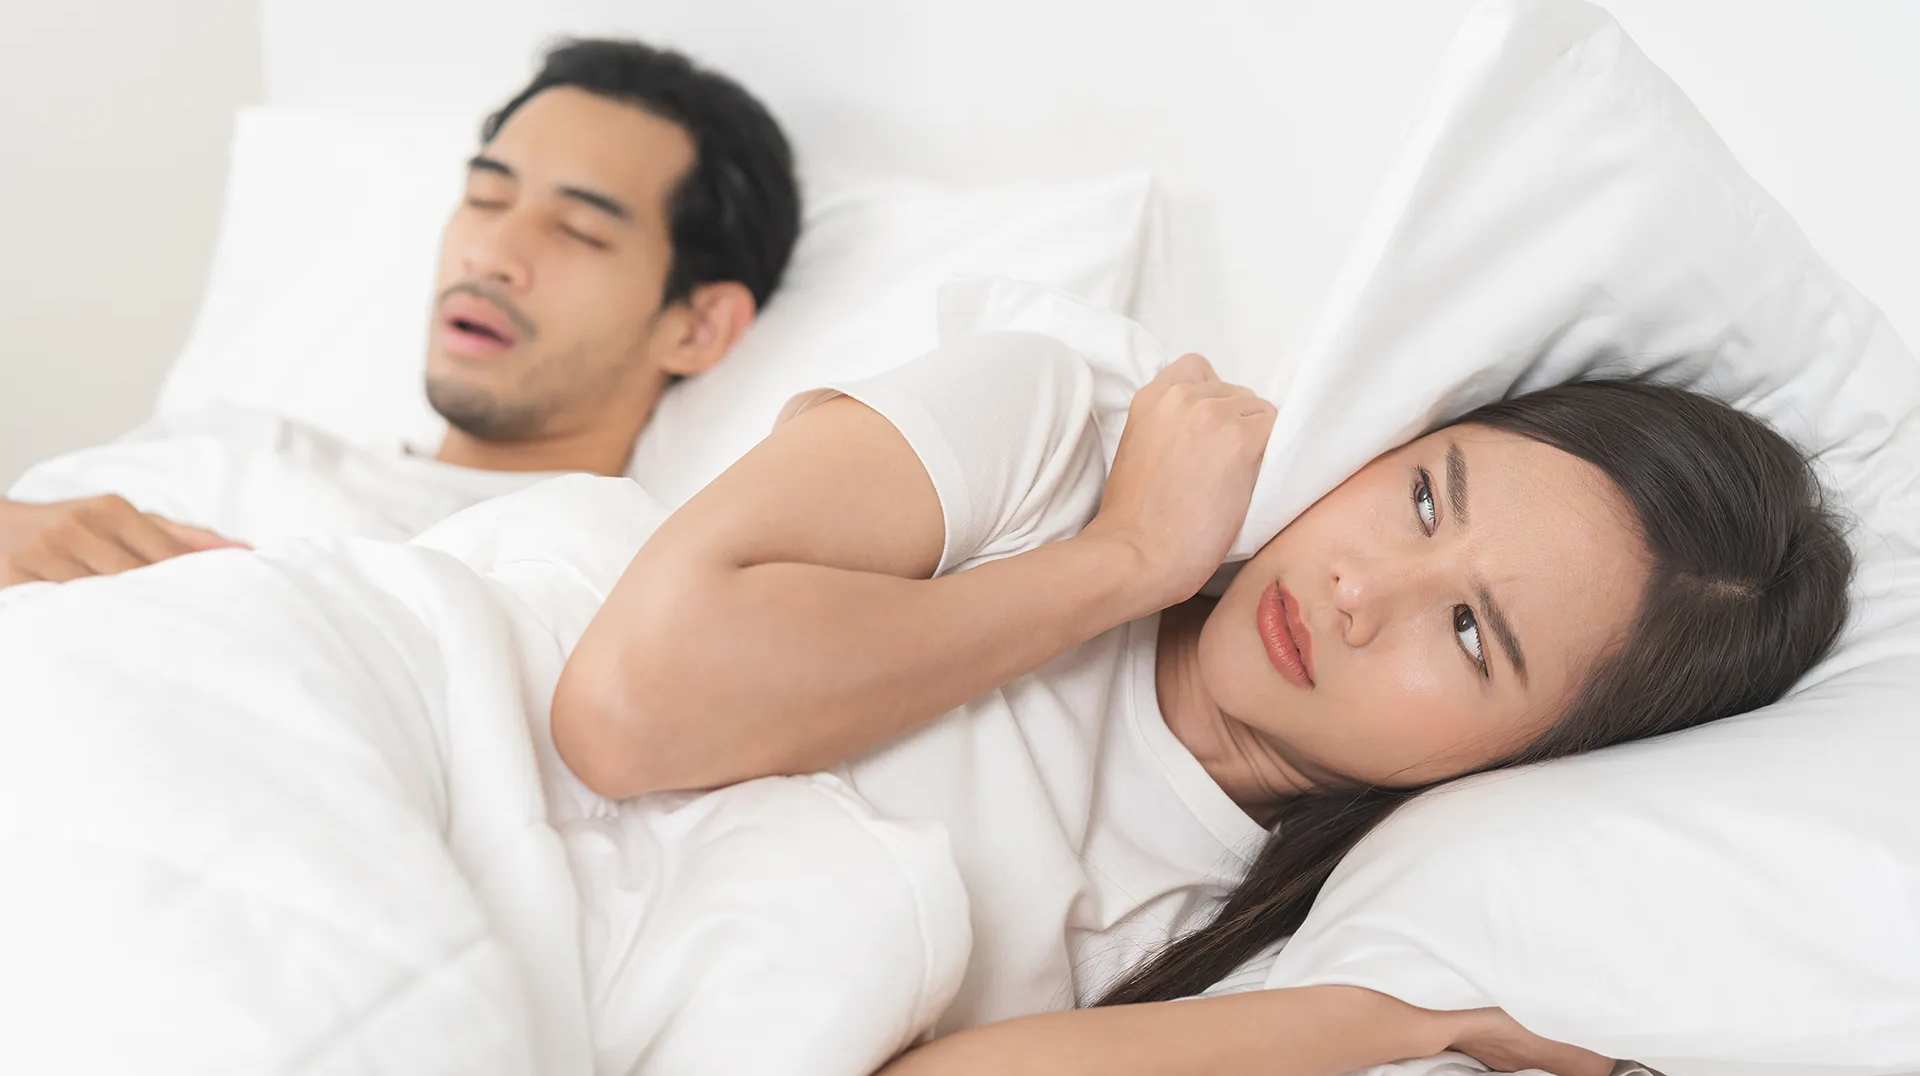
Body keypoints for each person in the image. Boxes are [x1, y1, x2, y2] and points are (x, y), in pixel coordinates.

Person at [552, 332, 1854, 1075]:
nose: (1362, 591)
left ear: (1531, 759)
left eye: (1468, 633)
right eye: (1423, 499)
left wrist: (1411, 1022)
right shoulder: (1068, 431)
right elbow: (625, 715)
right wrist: (1124, 562)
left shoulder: (1271, 956)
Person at [0, 37, 800, 590]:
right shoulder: (230, 443)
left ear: (696, 328)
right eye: (486, 197)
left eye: (578, 230)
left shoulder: (607, 577)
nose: (489, 255)